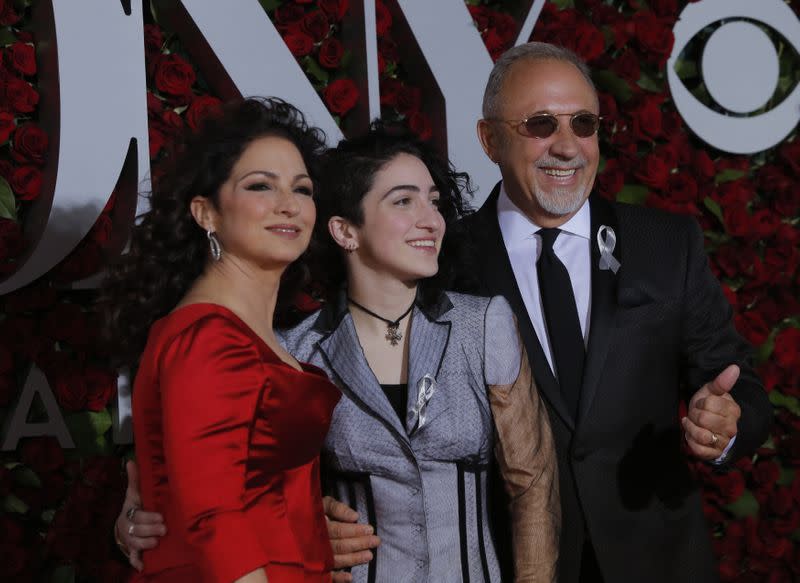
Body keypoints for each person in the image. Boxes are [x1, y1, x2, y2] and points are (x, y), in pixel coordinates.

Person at [115, 125, 560, 583]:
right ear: (344, 230)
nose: (431, 219)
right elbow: (214, 500)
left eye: (434, 202)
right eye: (404, 201)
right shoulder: (294, 345)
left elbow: (532, 483)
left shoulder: (481, 325)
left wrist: (301, 526)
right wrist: (139, 517)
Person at [460, 42, 771, 583]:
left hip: (660, 562)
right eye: (539, 124)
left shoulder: (664, 244)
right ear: (489, 140)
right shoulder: (447, 259)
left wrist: (728, 424)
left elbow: (738, 383)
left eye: (583, 123)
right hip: (514, 564)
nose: (567, 146)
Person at [102, 97, 339, 582]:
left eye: (302, 188)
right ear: (206, 212)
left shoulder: (242, 329)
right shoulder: (208, 336)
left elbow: (251, 482)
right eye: (260, 186)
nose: (288, 204)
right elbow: (215, 520)